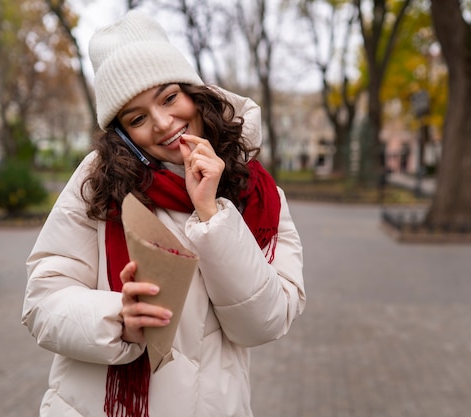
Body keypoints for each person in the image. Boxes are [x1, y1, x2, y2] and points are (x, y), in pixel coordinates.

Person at [22, 10, 305, 417]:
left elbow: (262, 324)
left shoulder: (258, 193)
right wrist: (117, 318)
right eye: (137, 118)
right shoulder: (98, 180)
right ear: (122, 133)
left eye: (170, 97)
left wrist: (212, 214)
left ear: (195, 92)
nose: (163, 123)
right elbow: (42, 301)